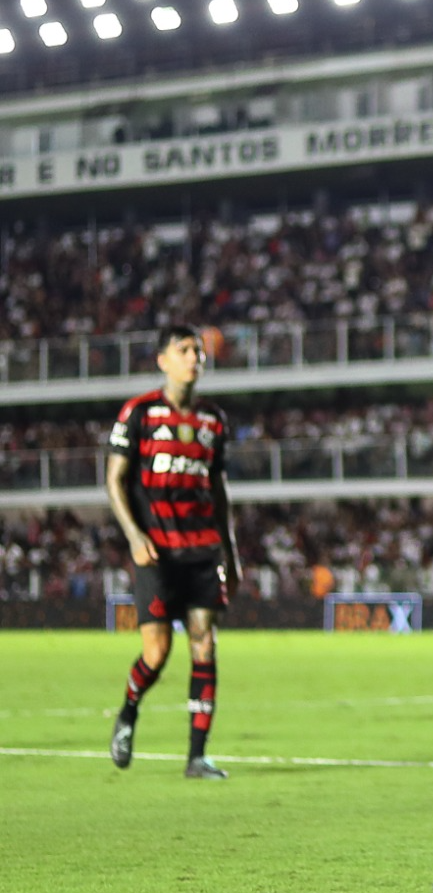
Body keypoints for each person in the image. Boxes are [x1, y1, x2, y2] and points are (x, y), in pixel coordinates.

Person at [106, 324, 241, 780]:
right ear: (162, 360)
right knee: (157, 653)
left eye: (198, 351)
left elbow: (219, 492)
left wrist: (231, 554)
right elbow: (114, 480)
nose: (193, 358)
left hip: (203, 550)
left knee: (205, 645)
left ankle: (197, 756)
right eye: (183, 350)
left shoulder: (213, 421)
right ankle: (127, 713)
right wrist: (132, 534)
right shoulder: (139, 413)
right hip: (157, 552)